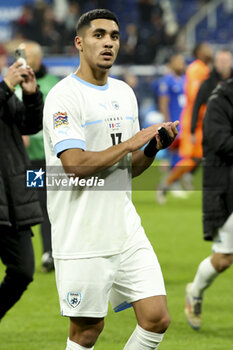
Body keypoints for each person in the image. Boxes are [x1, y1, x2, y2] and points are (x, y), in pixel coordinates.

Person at [43, 9, 179, 350]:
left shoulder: (124, 93)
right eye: (99, 35)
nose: (108, 43)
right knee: (87, 331)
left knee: (156, 318)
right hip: (82, 233)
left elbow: (129, 167)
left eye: (114, 36)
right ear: (79, 42)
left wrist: (151, 148)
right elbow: (74, 166)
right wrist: (131, 143)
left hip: (124, 225)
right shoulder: (64, 97)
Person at [185, 78, 233, 330]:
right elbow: (220, 142)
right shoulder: (220, 100)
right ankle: (195, 292)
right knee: (224, 259)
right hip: (227, 189)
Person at [0, 59, 43, 321]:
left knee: (23, 271)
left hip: (12, 196)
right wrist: (5, 87)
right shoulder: (3, 88)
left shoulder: (5, 91)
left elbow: (30, 126)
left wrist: (30, 96)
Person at [18, 41, 59, 272]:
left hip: (43, 160)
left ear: (38, 58)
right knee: (21, 206)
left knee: (45, 206)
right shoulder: (13, 82)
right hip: (17, 160)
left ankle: (49, 253)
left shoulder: (52, 85)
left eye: (26, 55)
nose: (22, 59)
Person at [158, 43, 213, 192]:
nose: (210, 50)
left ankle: (177, 179)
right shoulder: (195, 70)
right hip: (190, 121)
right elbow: (196, 96)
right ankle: (170, 182)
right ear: (199, 52)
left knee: (198, 155)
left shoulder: (202, 70)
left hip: (198, 120)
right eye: (206, 48)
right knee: (187, 155)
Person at [152, 53, 186, 203]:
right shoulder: (167, 81)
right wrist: (167, 123)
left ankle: (172, 182)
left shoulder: (185, 80)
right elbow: (163, 102)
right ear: (172, 63)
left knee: (180, 156)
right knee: (176, 156)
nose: (182, 64)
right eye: (179, 61)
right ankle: (169, 184)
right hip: (174, 124)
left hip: (185, 124)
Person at [191, 49, 233, 137]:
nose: (223, 64)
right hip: (213, 130)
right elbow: (197, 105)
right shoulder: (207, 83)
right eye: (220, 61)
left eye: (226, 61)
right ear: (215, 63)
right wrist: (193, 130)